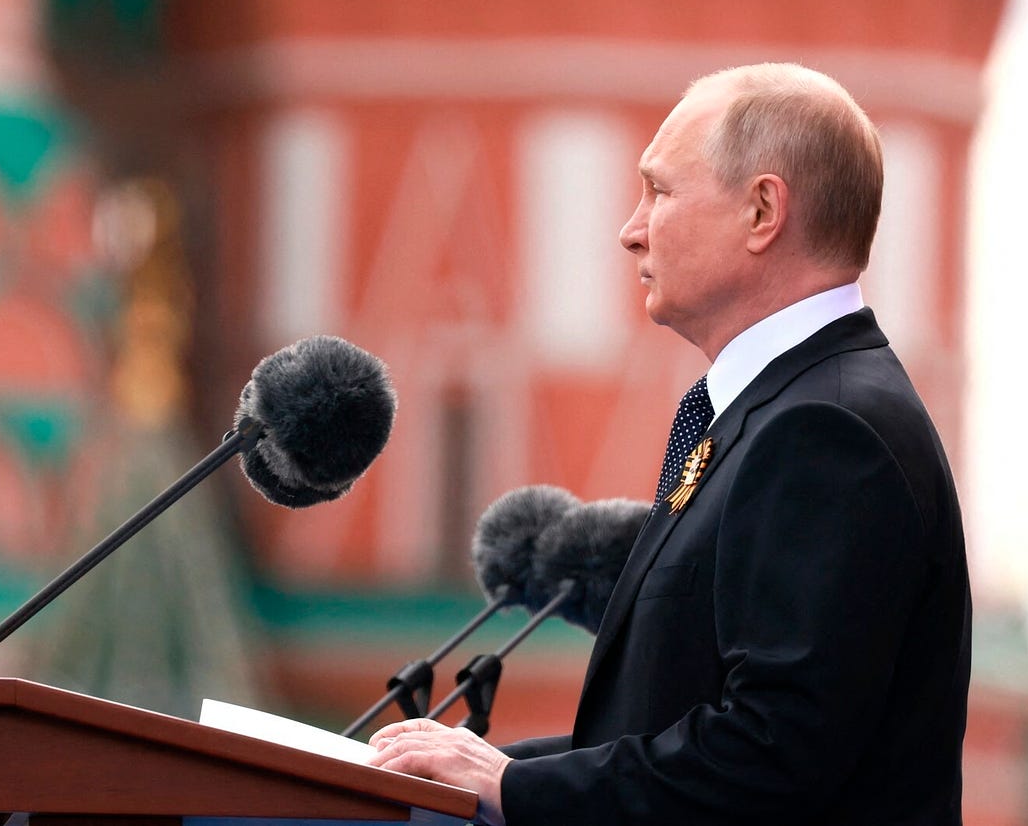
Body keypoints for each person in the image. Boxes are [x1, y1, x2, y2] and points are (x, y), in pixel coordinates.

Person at [367, 62, 970, 825]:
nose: (630, 228)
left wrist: (512, 788)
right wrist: (476, 770)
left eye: (659, 190)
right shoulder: (781, 410)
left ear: (761, 211)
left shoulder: (826, 431)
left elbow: (769, 757)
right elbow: (667, 729)